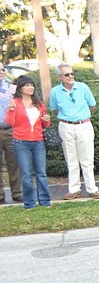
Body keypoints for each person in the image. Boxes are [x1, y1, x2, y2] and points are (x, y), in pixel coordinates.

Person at [49, 64, 99, 200]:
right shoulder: (55, 91)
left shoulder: (83, 87)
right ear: (59, 77)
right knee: (71, 159)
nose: (70, 76)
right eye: (67, 75)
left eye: (72, 74)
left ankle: (92, 189)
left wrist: (81, 117)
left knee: (87, 159)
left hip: (83, 125)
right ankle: (74, 190)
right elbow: (55, 110)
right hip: (65, 126)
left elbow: (92, 105)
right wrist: (69, 118)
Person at [4, 75, 52, 209]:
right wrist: (11, 110)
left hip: (38, 142)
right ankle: (30, 203)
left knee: (41, 172)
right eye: (27, 85)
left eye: (32, 85)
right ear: (20, 88)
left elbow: (46, 124)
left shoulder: (39, 104)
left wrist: (47, 119)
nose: (30, 87)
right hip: (21, 142)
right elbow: (10, 122)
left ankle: (45, 201)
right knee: (26, 173)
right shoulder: (15, 102)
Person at [0, 62, 23, 203]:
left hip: (9, 130)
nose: (1, 72)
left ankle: (17, 193)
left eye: (2, 69)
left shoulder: (10, 87)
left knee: (14, 163)